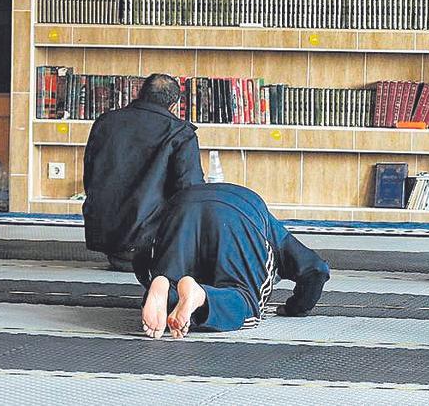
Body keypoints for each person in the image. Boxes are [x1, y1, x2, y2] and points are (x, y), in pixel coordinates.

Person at [137, 183, 331, 338]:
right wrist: (296, 308)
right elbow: (316, 269)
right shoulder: (276, 234)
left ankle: (164, 286)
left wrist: (152, 277)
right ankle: (202, 295)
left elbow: (143, 252)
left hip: (182, 206)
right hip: (238, 217)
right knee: (247, 302)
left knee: (171, 282)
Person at [83, 73, 204, 271]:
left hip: (107, 239)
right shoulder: (180, 132)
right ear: (174, 105)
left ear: (139, 94)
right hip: (151, 244)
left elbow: (91, 177)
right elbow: (190, 189)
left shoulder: (105, 122)